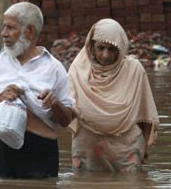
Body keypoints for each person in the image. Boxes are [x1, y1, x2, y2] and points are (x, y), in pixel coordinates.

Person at [0, 2, 75, 178]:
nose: (3, 34)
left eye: (11, 28)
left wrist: (54, 102)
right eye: (4, 27)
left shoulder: (54, 68)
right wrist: (1, 98)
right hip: (5, 150)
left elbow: (66, 120)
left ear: (30, 31)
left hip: (42, 150)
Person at [68, 18, 159, 172]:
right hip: (87, 147)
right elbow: (67, 111)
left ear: (121, 48)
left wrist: (144, 149)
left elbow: (145, 114)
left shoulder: (134, 70)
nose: (105, 55)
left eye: (112, 49)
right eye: (100, 48)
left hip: (125, 146)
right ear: (91, 47)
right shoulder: (78, 70)